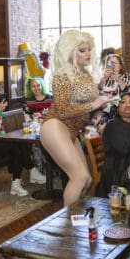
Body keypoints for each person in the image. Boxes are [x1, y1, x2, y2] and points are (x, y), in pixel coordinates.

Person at [40, 30, 108, 206]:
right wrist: (94, 105)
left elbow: (87, 103)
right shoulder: (62, 76)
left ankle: (77, 214)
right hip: (55, 127)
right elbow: (63, 111)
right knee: (79, 177)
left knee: (86, 181)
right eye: (82, 50)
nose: (88, 54)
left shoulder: (85, 75)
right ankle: (68, 220)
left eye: (89, 49)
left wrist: (101, 103)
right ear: (70, 52)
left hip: (72, 131)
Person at [23, 76, 51, 185]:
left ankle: (50, 169)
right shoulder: (28, 102)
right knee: (36, 145)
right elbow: (27, 118)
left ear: (42, 86)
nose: (36, 88)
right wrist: (35, 121)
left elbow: (55, 114)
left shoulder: (50, 98)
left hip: (50, 128)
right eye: (33, 86)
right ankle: (40, 172)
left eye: (38, 85)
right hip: (35, 130)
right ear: (30, 89)